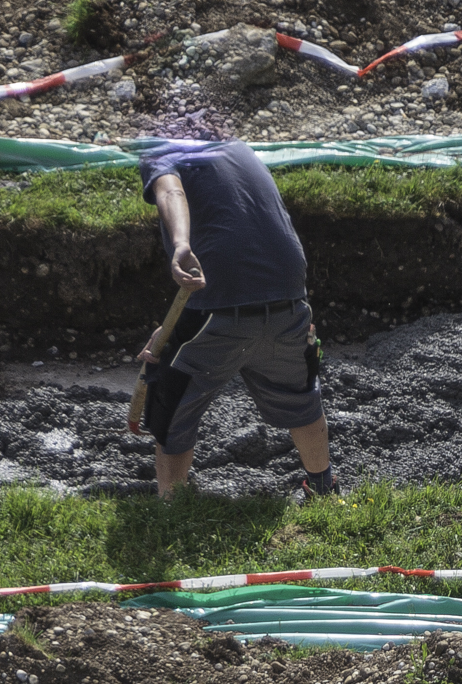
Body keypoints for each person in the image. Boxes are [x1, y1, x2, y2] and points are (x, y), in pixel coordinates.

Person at [135, 139, 337, 500]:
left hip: (220, 298)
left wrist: (180, 242)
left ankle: (171, 504)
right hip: (288, 293)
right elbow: (236, 236)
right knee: (299, 393)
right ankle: (323, 488)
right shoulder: (236, 149)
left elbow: (170, 192)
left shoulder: (160, 150)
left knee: (169, 394)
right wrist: (173, 330)